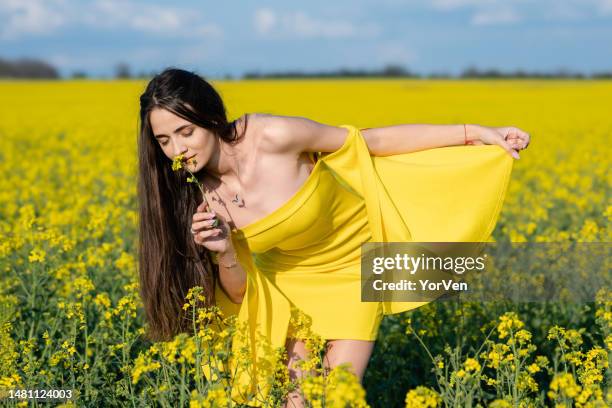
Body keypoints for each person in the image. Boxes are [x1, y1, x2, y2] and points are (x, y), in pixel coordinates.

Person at [137, 67, 529, 407]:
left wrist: (470, 133)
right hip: (286, 287)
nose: (177, 150)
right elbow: (239, 295)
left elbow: (368, 144)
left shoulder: (272, 136)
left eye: (185, 132)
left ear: (210, 118)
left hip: (357, 270)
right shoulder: (198, 196)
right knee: (297, 402)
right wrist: (224, 253)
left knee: (338, 395)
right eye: (164, 140)